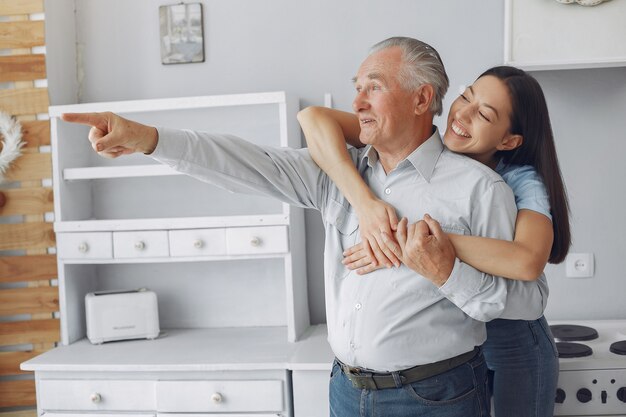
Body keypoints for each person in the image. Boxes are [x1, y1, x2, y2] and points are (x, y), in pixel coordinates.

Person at [61, 37, 547, 417]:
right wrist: (147, 139)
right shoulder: (339, 172)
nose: (358, 100)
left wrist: (442, 268)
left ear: (422, 99)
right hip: (343, 391)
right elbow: (245, 161)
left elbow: (513, 300)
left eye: (373, 86)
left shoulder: (482, 190)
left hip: (436, 396)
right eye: (356, 85)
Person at [297, 65, 570, 417]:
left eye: (484, 114)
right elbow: (315, 118)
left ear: (509, 140)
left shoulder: (519, 180)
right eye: (466, 96)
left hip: (514, 341)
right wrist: (366, 205)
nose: (463, 114)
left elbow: (527, 261)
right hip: (464, 342)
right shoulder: (434, 151)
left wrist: (413, 241)